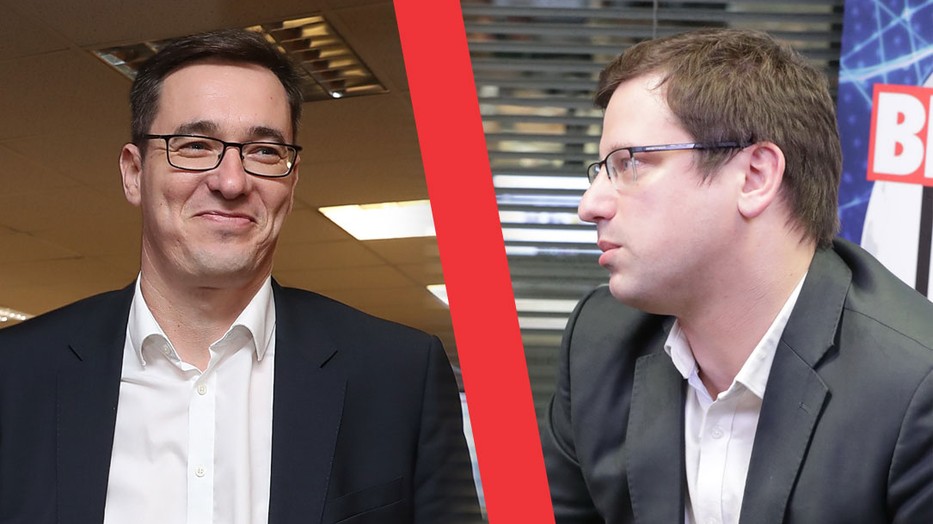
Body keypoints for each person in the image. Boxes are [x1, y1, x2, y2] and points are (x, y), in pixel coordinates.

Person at [0, 29, 480, 524]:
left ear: (291, 182)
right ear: (134, 173)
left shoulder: (399, 375)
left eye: (265, 152)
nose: (231, 182)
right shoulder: (14, 376)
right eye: (194, 145)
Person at [543, 28, 933, 524]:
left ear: (754, 176)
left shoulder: (915, 388)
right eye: (601, 169)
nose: (590, 205)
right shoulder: (598, 344)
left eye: (630, 164)